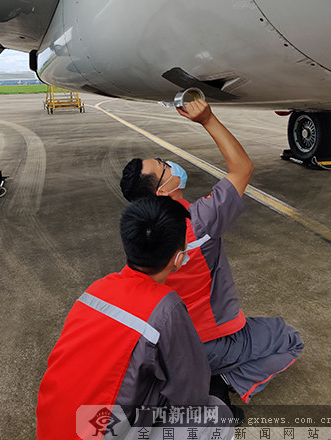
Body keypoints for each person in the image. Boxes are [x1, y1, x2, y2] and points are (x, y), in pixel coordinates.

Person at [120, 99, 304, 410]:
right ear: (162, 191)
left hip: (167, 346)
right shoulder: (199, 221)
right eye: (164, 166)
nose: (170, 164)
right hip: (210, 341)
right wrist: (207, 119)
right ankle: (224, 382)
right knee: (290, 340)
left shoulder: (138, 232)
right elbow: (242, 167)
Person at [36, 196, 233, 439]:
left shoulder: (96, 290)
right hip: (97, 431)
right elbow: (191, 394)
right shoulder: (166, 307)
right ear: (179, 258)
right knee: (216, 414)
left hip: (55, 426)